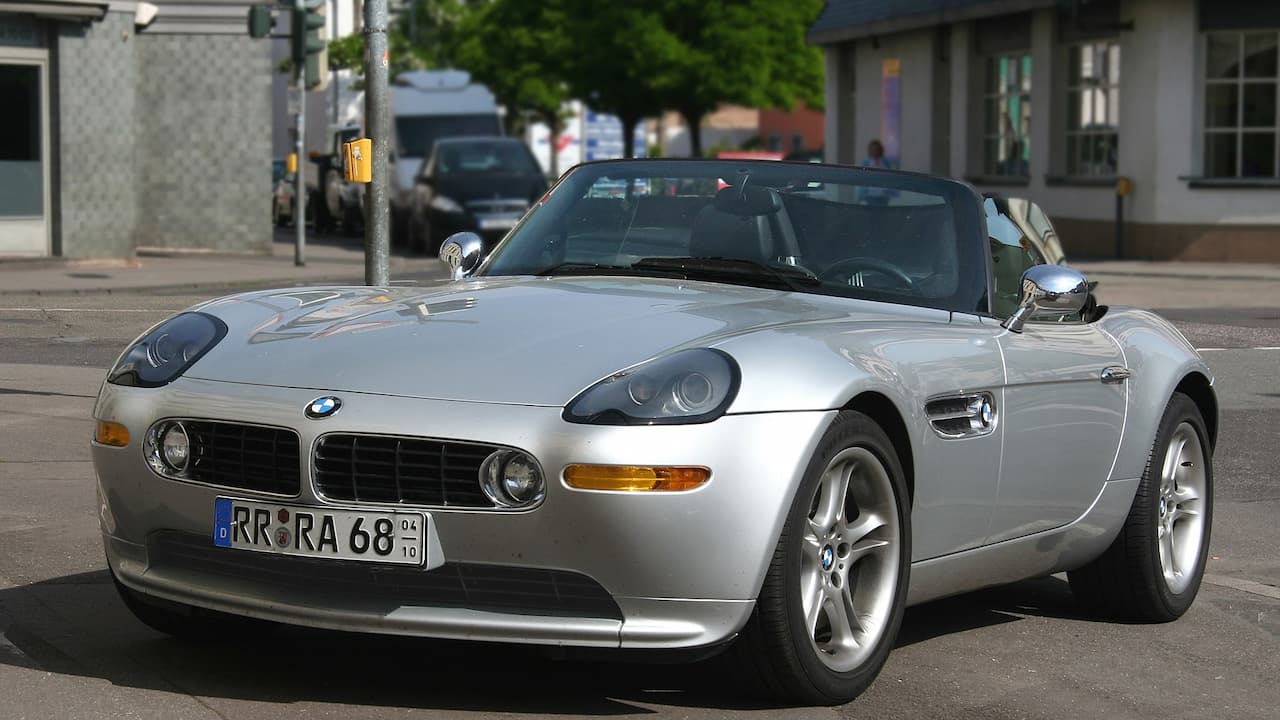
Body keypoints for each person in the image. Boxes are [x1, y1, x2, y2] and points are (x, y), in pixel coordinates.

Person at [857, 139, 896, 205]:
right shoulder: (866, 162)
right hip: (869, 195)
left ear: (880, 150)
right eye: (872, 149)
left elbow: (890, 177)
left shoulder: (885, 162)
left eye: (876, 149)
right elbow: (862, 178)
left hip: (883, 195)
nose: (874, 151)